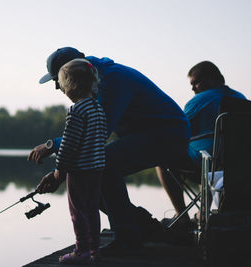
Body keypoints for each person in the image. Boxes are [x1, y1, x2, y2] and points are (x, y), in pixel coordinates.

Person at [28, 47, 191, 255]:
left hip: (168, 136)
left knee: (104, 166)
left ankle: (128, 239)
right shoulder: (97, 80)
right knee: (95, 169)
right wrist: (62, 172)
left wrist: (52, 146)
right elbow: (91, 142)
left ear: (70, 72)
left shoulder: (112, 81)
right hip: (152, 135)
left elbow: (96, 133)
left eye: (56, 80)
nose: (57, 87)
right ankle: (141, 227)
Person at [156, 61, 246, 225]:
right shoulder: (241, 99)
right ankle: (203, 213)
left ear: (214, 79)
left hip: (207, 163)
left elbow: (177, 129)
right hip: (236, 167)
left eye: (196, 82)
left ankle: (181, 217)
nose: (193, 88)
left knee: (162, 159)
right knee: (210, 160)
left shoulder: (199, 100)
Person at [40, 58, 107, 264]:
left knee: (78, 212)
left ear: (73, 87)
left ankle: (81, 251)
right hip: (97, 169)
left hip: (79, 171)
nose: (60, 89)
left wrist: (60, 171)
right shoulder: (98, 108)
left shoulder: (76, 111)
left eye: (62, 85)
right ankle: (94, 250)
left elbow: (69, 145)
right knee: (92, 209)